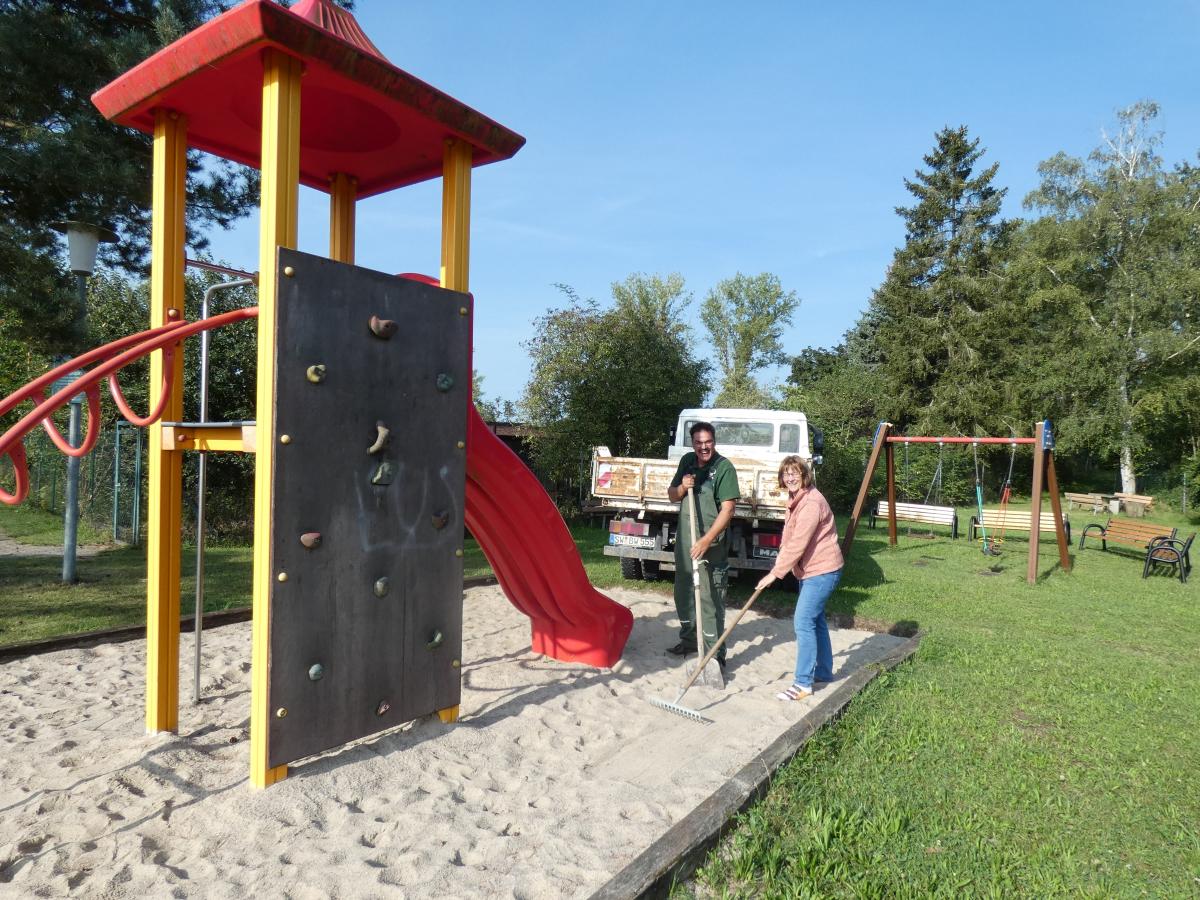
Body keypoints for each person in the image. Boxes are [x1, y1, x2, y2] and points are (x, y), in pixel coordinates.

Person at [756, 455, 844, 700]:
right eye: (786, 474)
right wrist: (779, 563)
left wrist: (774, 574)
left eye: (795, 473)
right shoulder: (796, 498)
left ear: (805, 475)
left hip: (823, 570)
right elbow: (788, 538)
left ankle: (803, 684)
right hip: (812, 570)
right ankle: (824, 672)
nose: (791, 477)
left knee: (803, 622)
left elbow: (798, 543)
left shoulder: (811, 503)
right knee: (816, 621)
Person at [666, 421, 740, 667]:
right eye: (698, 442)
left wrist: (706, 540)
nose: (703, 447)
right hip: (686, 541)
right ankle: (689, 641)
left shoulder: (723, 468)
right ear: (693, 443)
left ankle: (715, 655)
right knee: (684, 591)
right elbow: (672, 495)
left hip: (711, 544)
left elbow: (728, 510)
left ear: (714, 442)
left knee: (711, 599)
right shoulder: (687, 461)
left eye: (707, 442)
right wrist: (681, 487)